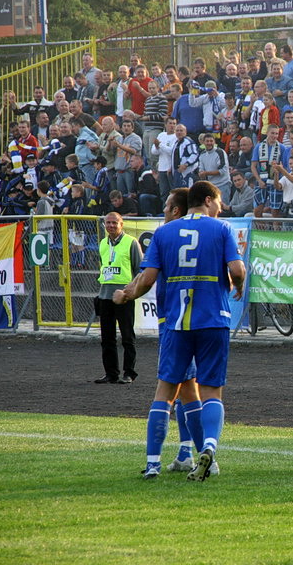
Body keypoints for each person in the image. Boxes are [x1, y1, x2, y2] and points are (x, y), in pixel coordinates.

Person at [114, 181, 246, 481]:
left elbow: (147, 280)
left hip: (175, 323)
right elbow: (237, 270)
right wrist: (236, 286)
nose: (221, 207)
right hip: (213, 320)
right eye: (219, 201)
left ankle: (152, 463)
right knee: (210, 390)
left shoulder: (163, 233)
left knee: (166, 391)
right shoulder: (221, 228)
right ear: (209, 201)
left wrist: (128, 295)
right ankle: (208, 451)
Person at [94, 212, 143, 385]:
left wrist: (131, 291)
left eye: (115, 223)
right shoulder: (102, 243)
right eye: (108, 223)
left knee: (127, 337)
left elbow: (140, 270)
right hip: (105, 295)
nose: (111, 226)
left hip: (124, 297)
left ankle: (129, 373)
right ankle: (111, 373)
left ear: (121, 224)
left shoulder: (131, 242)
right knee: (107, 338)